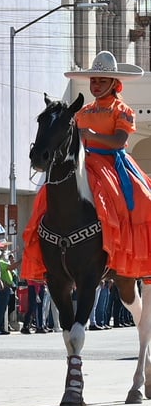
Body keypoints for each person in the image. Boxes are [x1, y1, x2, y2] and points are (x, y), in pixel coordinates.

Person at [23, 50, 151, 280]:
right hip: (84, 160)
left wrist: (92, 134)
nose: (97, 85)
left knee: (143, 198)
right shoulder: (83, 110)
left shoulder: (122, 110)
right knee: (47, 194)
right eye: (94, 80)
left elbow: (119, 141)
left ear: (114, 83)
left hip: (112, 161)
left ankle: (128, 248)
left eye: (102, 80)